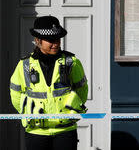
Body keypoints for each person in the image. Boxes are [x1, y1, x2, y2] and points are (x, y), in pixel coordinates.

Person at [9, 15, 88, 150]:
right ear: (38, 40)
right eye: (50, 40)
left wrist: (70, 112)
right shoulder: (24, 65)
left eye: (57, 39)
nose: (55, 43)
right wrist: (30, 113)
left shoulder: (71, 62)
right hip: (36, 132)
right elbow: (15, 94)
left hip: (65, 131)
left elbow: (82, 90)